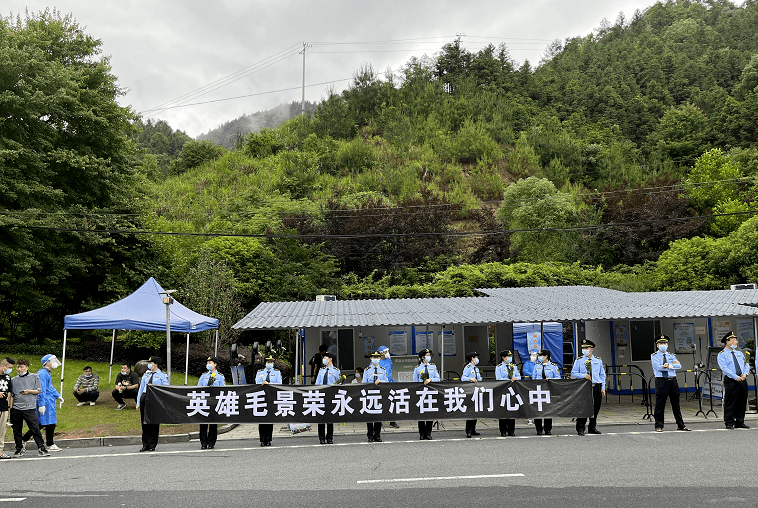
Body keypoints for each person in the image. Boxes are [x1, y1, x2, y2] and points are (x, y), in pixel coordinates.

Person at [22, 354, 63, 452]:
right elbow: (41, 390)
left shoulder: (46, 373)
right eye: (52, 360)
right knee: (43, 423)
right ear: (47, 362)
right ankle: (25, 440)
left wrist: (58, 395)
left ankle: (48, 443)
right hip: (46, 401)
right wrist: (42, 404)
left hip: (49, 401)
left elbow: (50, 387)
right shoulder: (43, 374)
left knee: (47, 423)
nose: (54, 362)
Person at [9, 358, 50, 457]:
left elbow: (39, 390)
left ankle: (41, 448)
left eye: (21, 367)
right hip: (16, 408)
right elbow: (12, 395)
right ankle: (19, 449)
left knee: (35, 429)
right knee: (17, 430)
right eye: (18, 367)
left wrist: (29, 391)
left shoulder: (34, 377)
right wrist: (10, 408)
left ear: (26, 367)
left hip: (29, 408)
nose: (19, 369)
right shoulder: (13, 380)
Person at [651, 335, 691, 432]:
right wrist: (667, 366)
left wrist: (669, 365)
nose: (663, 345)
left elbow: (679, 365)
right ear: (657, 345)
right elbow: (658, 367)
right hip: (661, 380)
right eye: (661, 343)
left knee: (676, 404)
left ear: (667, 344)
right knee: (660, 404)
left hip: (672, 380)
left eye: (665, 343)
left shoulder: (671, 355)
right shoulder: (654, 356)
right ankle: (658, 425)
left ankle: (681, 425)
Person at [572, 339, 606, 436]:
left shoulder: (598, 360)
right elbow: (573, 372)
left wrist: (603, 387)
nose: (584, 350)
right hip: (584, 387)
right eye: (583, 348)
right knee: (583, 408)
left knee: (596, 408)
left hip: (596, 386)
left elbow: (602, 375)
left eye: (586, 348)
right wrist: (583, 375)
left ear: (591, 349)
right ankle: (580, 428)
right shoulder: (579, 360)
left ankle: (592, 427)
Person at [717, 331, 751, 430]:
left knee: (742, 401)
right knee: (730, 401)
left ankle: (740, 421)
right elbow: (724, 368)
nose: (736, 342)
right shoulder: (722, 354)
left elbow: (746, 364)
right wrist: (735, 377)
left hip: (742, 379)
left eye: (735, 340)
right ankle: (729, 422)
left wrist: (745, 374)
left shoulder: (739, 353)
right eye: (734, 340)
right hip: (731, 380)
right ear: (728, 342)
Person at [136, 356, 169, 452]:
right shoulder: (146, 375)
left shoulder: (162, 375)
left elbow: (165, 388)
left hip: (155, 399)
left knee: (154, 422)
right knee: (144, 422)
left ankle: (152, 444)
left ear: (155, 364)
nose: (149, 365)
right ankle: (145, 444)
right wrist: (138, 402)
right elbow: (141, 389)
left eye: (151, 363)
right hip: (145, 398)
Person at [199, 356, 226, 449]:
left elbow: (223, 389)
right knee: (203, 423)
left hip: (215, 402)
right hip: (204, 402)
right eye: (208, 363)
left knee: (213, 423)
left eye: (210, 363)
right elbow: (198, 388)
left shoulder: (220, 377)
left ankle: (211, 442)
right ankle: (203, 442)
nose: (208, 364)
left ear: (215, 364)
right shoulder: (203, 376)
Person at [532, 349, 561, 435]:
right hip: (538, 390)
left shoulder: (553, 366)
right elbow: (533, 377)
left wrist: (551, 379)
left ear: (546, 356)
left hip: (549, 390)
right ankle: (539, 429)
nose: (540, 357)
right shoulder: (537, 366)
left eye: (541, 356)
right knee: (538, 410)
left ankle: (548, 429)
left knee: (548, 410)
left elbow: (558, 377)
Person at [413, 348, 440, 440]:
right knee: (421, 414)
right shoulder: (417, 368)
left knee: (429, 413)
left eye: (429, 355)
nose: (429, 357)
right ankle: (421, 433)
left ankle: (428, 433)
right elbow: (415, 382)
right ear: (422, 357)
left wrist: (431, 380)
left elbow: (438, 378)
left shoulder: (433, 366)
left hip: (431, 392)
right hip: (421, 393)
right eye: (427, 355)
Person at [362, 351, 388, 442]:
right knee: (369, 416)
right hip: (370, 395)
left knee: (378, 416)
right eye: (374, 358)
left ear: (379, 359)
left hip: (380, 395)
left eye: (377, 358)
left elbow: (387, 381)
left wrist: (381, 381)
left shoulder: (383, 370)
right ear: (371, 359)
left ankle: (377, 435)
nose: (376, 359)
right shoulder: (367, 370)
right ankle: (370, 435)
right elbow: (363, 383)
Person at [254, 355, 280, 447]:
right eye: (268, 362)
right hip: (261, 397)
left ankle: (268, 439)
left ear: (273, 363)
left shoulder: (277, 373)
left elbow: (279, 384)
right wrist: (262, 383)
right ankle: (262, 439)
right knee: (262, 418)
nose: (269, 364)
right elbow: (257, 382)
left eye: (271, 362)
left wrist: (269, 383)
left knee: (269, 418)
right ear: (265, 363)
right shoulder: (260, 372)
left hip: (271, 397)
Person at [495, 350, 520, 436]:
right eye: (508, 356)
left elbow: (519, 376)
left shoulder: (514, 366)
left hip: (512, 391)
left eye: (510, 356)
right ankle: (503, 430)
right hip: (503, 390)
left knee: (512, 410)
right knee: (503, 411)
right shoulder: (499, 367)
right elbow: (498, 378)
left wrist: (515, 378)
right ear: (503, 357)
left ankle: (511, 430)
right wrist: (508, 380)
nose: (510, 358)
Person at [315, 352, 339, 444]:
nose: (324, 359)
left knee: (329, 418)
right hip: (321, 396)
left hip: (330, 396)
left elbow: (339, 383)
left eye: (325, 357)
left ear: (330, 359)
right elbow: (317, 383)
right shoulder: (321, 370)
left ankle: (329, 437)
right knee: (320, 417)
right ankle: (321, 438)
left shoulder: (336, 371)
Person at [376, 345, 399, 428]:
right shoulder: (376, 361)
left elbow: (390, 372)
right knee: (379, 402)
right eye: (385, 352)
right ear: (381, 353)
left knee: (391, 402)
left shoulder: (389, 361)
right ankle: (379, 421)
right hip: (379, 384)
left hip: (388, 383)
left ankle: (392, 421)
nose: (387, 353)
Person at [461, 351, 482, 438]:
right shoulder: (468, 367)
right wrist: (471, 379)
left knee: (475, 411)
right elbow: (463, 378)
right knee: (470, 412)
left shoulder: (476, 368)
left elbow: (479, 378)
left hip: (476, 391)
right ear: (472, 359)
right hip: (470, 391)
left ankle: (473, 429)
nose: (477, 359)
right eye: (476, 357)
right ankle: (468, 431)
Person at [0, 357, 15, 459]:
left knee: (2, 431)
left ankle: (0, 452)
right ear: (3, 366)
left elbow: (9, 393)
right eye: (9, 367)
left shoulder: (8, 377)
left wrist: (9, 407)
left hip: (4, 407)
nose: (10, 369)